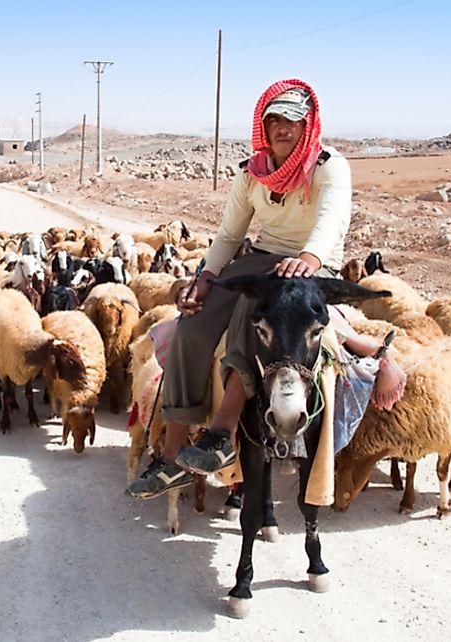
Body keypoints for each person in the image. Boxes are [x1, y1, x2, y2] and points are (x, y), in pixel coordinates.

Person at [126, 78, 405, 500]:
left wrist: (309, 259)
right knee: (191, 325)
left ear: (308, 125)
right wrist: (204, 280)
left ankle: (221, 434)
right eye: (274, 119)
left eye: (293, 120)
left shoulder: (329, 167)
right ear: (263, 125)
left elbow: (330, 221)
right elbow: (227, 234)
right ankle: (171, 453)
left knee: (254, 314)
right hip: (263, 257)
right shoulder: (252, 174)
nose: (283, 128)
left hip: (312, 264)